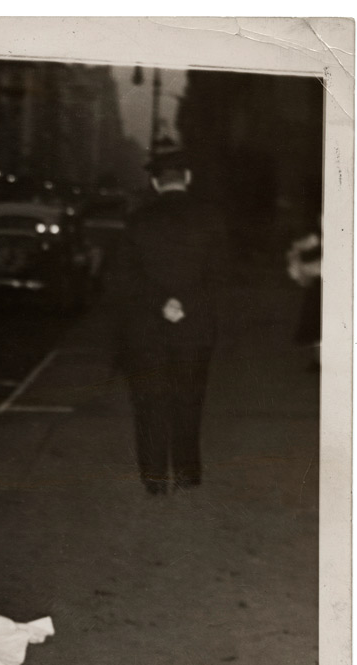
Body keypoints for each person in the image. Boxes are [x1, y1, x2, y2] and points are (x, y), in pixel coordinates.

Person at [109, 142, 227, 496]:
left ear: (157, 184)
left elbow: (122, 278)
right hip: (195, 325)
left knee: (150, 402)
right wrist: (185, 300)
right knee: (189, 399)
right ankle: (188, 473)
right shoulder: (212, 219)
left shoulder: (137, 221)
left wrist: (162, 301)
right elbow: (220, 275)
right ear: (187, 178)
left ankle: (155, 478)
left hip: (146, 328)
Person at [286, 219, 321, 371]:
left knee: (318, 322)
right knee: (316, 322)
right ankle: (318, 359)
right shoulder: (317, 238)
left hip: (322, 284)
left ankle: (319, 360)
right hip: (317, 287)